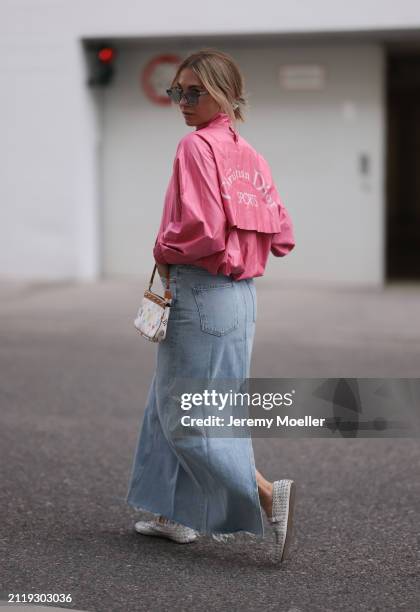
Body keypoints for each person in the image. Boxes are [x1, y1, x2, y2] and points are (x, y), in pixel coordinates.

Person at [126, 48, 296, 563]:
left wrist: (161, 249)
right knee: (172, 401)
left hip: (201, 290)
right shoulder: (251, 155)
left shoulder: (195, 146)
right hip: (240, 299)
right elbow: (283, 235)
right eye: (177, 91)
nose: (182, 101)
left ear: (224, 92)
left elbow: (198, 229)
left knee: (187, 414)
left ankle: (269, 495)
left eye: (193, 91)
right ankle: (170, 513)